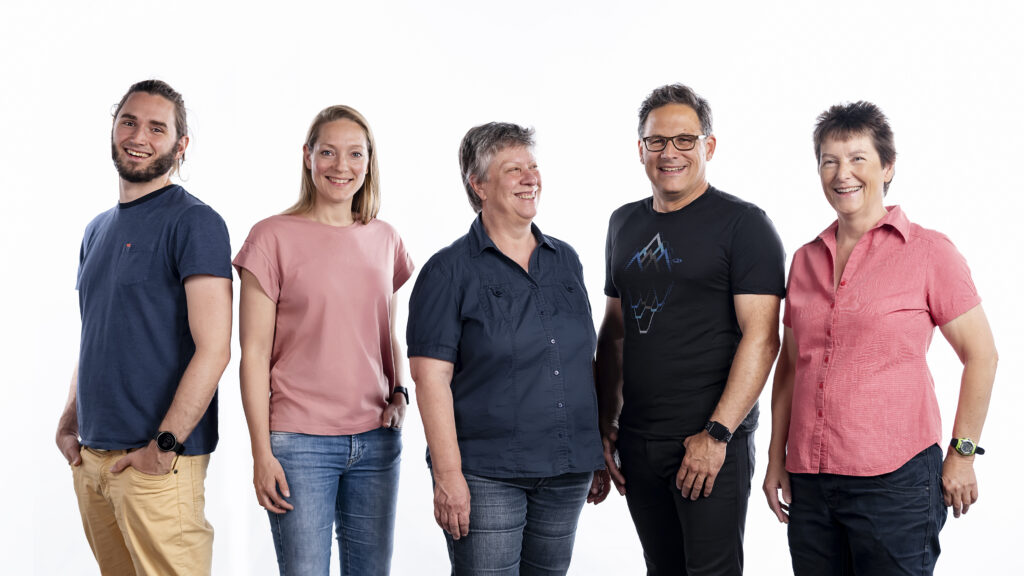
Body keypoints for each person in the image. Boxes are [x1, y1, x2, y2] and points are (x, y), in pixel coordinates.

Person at [762, 101, 998, 575]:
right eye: (829, 160)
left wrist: (963, 454)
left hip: (896, 482)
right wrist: (775, 458)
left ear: (887, 166)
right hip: (810, 481)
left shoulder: (930, 252)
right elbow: (790, 365)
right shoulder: (805, 259)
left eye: (857, 158)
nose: (842, 173)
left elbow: (983, 355)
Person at [596, 83, 786, 575]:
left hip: (709, 443)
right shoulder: (622, 223)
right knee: (661, 568)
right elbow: (614, 333)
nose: (670, 153)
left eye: (685, 140)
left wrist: (717, 434)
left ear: (709, 146)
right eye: (657, 141)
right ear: (640, 149)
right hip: (638, 440)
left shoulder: (744, 225)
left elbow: (763, 338)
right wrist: (605, 422)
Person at [407, 122, 608, 575]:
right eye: (513, 169)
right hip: (485, 473)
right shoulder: (448, 271)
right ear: (478, 184)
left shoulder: (566, 260)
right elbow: (430, 379)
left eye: (533, 167)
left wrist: (592, 450)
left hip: (565, 470)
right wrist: (448, 475)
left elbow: (581, 360)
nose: (529, 177)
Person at [54, 79, 233, 575]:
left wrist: (165, 446)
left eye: (158, 127)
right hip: (93, 459)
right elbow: (96, 334)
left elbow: (215, 348)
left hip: (156, 464)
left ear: (180, 146)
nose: (139, 135)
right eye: (129, 121)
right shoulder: (97, 229)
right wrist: (70, 421)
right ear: (113, 128)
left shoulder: (195, 223)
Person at [234, 105, 413, 575]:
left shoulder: (385, 238)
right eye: (328, 152)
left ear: (369, 161)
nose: (341, 166)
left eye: (355, 154)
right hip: (299, 442)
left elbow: (386, 333)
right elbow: (252, 354)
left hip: (377, 440)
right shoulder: (270, 237)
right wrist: (261, 451)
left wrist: (401, 393)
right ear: (307, 156)